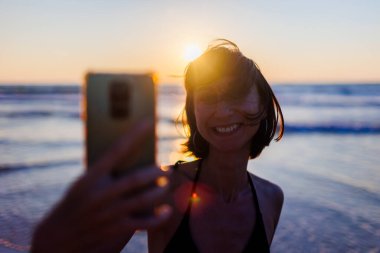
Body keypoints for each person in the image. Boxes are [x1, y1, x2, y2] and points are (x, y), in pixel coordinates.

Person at [32, 39, 284, 253]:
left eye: (236, 93)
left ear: (263, 105)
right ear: (193, 111)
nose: (222, 110)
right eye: (207, 97)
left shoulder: (271, 198)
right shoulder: (163, 189)